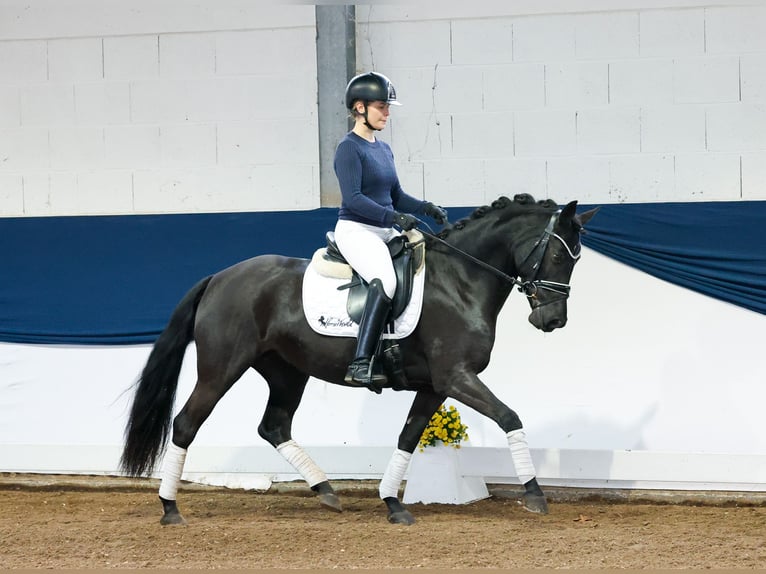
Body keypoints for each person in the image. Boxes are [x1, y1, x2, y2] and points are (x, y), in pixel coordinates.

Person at [333, 71, 447, 392]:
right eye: (381, 107)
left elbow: (396, 195)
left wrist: (425, 207)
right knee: (386, 280)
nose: (387, 113)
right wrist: (394, 217)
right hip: (357, 230)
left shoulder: (383, 149)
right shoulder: (348, 149)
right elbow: (354, 199)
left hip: (383, 229)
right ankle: (360, 362)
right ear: (359, 108)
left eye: (388, 107)